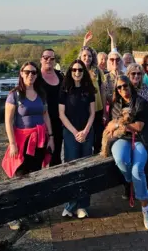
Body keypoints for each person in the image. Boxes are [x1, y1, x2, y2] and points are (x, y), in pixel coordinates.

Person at [2, 62, 55, 230]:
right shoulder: (15, 95)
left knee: (34, 176)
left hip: (39, 140)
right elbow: (8, 121)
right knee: (19, 177)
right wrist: (12, 143)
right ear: (21, 73)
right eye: (27, 72)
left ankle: (30, 211)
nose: (30, 75)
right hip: (22, 141)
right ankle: (12, 216)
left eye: (34, 72)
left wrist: (51, 137)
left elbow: (46, 116)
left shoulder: (40, 93)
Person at [105, 75, 148, 229]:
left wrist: (120, 126)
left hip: (140, 139)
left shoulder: (140, 102)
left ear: (130, 86)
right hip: (121, 139)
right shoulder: (116, 104)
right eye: (119, 87)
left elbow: (139, 127)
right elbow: (110, 127)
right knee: (120, 159)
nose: (122, 90)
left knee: (137, 168)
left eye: (125, 86)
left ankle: (146, 208)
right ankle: (136, 184)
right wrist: (117, 126)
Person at [59, 59, 96, 218]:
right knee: (72, 168)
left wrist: (86, 131)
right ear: (70, 72)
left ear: (84, 72)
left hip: (87, 131)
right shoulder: (65, 89)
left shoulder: (89, 89)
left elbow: (92, 112)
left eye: (80, 70)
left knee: (85, 168)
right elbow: (61, 114)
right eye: (74, 70)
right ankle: (70, 204)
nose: (77, 73)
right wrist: (75, 132)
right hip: (70, 132)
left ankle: (82, 206)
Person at [127, 63, 148, 192]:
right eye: (133, 73)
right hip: (130, 126)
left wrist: (146, 118)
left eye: (139, 74)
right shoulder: (125, 88)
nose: (136, 76)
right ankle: (130, 185)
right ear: (128, 75)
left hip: (146, 123)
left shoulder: (145, 88)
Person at [81, 33, 106, 154]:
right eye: (85, 56)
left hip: (97, 109)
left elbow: (102, 91)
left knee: (97, 138)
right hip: (83, 110)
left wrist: (105, 112)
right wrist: (84, 43)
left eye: (90, 56)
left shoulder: (98, 71)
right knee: (85, 138)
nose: (87, 58)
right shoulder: (77, 71)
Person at [39, 49, 64, 166]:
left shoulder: (60, 76)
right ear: (41, 59)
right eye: (46, 57)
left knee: (56, 155)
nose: (49, 60)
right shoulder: (36, 77)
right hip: (41, 122)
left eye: (52, 58)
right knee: (40, 157)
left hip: (58, 122)